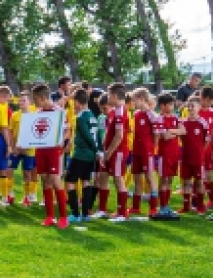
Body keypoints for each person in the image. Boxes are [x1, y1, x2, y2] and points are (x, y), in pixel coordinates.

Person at [31, 82, 70, 228]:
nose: (34, 102)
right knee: (45, 180)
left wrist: (61, 141)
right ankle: (50, 216)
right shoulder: (38, 113)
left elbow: (68, 131)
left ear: (42, 98)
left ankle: (64, 217)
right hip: (41, 150)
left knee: (55, 179)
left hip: (54, 150)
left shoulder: (58, 111)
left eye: (35, 98)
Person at [65, 88, 102, 222]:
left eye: (74, 102)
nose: (73, 105)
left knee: (69, 181)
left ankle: (75, 214)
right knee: (86, 181)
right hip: (90, 155)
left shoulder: (80, 117)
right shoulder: (92, 115)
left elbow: (87, 136)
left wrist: (96, 149)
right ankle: (86, 213)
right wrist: (98, 150)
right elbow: (97, 135)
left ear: (78, 102)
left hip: (81, 154)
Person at [103, 82, 130, 221]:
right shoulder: (115, 111)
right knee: (115, 178)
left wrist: (109, 152)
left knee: (119, 179)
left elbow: (119, 136)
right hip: (114, 151)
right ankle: (120, 211)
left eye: (108, 95)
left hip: (118, 151)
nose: (107, 97)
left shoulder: (120, 111)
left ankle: (122, 213)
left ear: (114, 96)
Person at [129, 88, 158, 217]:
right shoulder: (136, 114)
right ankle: (136, 207)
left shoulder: (151, 114)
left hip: (147, 151)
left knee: (149, 177)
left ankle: (153, 207)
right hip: (137, 150)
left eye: (134, 100)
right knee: (137, 178)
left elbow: (156, 133)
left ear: (141, 99)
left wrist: (154, 148)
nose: (133, 102)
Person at [154, 92, 183, 219]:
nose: (172, 106)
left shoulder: (175, 118)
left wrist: (171, 131)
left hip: (174, 152)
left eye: (172, 104)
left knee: (170, 179)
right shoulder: (159, 118)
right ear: (162, 106)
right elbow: (164, 137)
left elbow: (184, 131)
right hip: (164, 153)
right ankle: (162, 206)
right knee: (164, 179)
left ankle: (167, 205)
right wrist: (175, 132)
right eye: (170, 104)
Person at [180, 96, 209, 214]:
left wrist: (200, 151)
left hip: (198, 158)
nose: (190, 108)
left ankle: (200, 206)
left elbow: (206, 140)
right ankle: (186, 206)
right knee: (186, 182)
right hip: (185, 157)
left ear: (199, 108)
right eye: (189, 106)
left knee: (199, 181)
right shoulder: (182, 122)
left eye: (193, 106)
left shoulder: (203, 123)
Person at [9, 91, 37, 206]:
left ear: (30, 102)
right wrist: (13, 147)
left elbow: (36, 134)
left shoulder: (35, 115)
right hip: (16, 149)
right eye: (20, 100)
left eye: (24, 100)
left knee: (27, 173)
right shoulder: (15, 115)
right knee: (8, 169)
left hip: (29, 149)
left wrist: (27, 146)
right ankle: (9, 194)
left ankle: (27, 196)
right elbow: (11, 133)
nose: (21, 102)